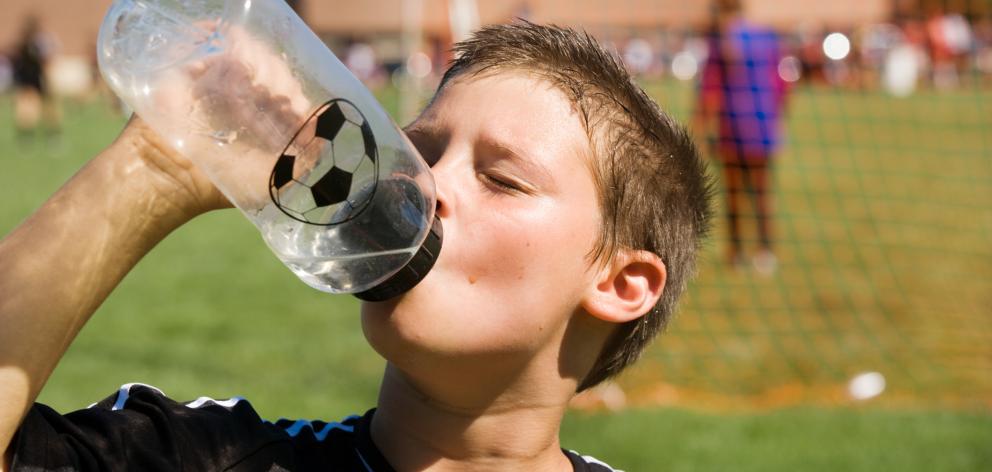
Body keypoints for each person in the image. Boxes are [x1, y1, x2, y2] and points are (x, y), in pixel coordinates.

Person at [0, 22, 711, 471]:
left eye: (501, 179)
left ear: (623, 284)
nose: (428, 187)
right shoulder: (211, 457)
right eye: (422, 150)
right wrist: (155, 166)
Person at [694, 0, 786, 275]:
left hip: (733, 127)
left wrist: (700, 129)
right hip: (761, 125)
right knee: (760, 193)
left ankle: (737, 254)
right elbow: (782, 84)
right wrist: (776, 118)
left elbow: (710, 90)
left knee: (735, 194)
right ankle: (764, 252)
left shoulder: (720, 41)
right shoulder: (766, 37)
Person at [10, 16, 59, 141]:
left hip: (29, 79)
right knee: (35, 107)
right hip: (34, 78)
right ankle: (49, 134)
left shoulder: (25, 44)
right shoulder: (34, 44)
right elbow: (45, 61)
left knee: (32, 107)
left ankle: (30, 135)